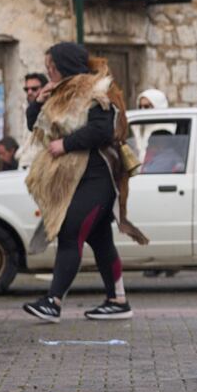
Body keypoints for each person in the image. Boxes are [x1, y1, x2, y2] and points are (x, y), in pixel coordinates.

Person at [21, 43, 148, 322]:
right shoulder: (58, 92)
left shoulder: (96, 89)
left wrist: (66, 143)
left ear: (63, 65)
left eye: (51, 66)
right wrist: (38, 101)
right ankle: (118, 301)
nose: (48, 71)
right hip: (72, 179)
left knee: (70, 232)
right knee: (99, 238)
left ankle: (52, 302)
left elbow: (102, 130)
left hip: (97, 175)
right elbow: (35, 124)